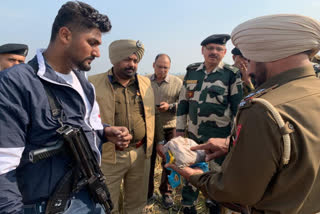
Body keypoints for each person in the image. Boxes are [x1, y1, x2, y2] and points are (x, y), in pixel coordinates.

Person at [167, 14, 320, 214]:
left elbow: (236, 192)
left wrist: (191, 175)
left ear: (270, 54)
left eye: (252, 59)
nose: (250, 69)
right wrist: (231, 143)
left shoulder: (263, 110)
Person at [0, 2, 132, 214]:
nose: (97, 53)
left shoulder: (82, 82)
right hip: (47, 206)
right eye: (92, 43)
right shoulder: (16, 83)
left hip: (89, 195)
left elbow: (87, 126)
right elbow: (3, 167)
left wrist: (106, 131)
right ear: (65, 35)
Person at [89, 39, 164, 214]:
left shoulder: (145, 84)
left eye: (135, 61)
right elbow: (85, 119)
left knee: (136, 204)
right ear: (114, 60)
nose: (132, 64)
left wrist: (159, 141)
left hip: (140, 153)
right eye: (127, 60)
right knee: (107, 204)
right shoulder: (93, 84)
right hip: (108, 156)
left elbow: (154, 114)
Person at [176, 34, 243, 214]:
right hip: (192, 137)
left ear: (225, 52)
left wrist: (232, 140)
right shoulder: (192, 71)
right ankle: (188, 206)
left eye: (218, 49)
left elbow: (238, 111)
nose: (214, 52)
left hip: (218, 140)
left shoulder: (231, 75)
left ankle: (214, 205)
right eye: (210, 48)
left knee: (216, 178)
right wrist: (179, 131)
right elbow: (183, 103)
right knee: (189, 172)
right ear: (203, 50)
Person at [147, 53, 183, 209]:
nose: (162, 70)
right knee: (147, 160)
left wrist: (170, 107)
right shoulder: (145, 81)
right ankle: (147, 193)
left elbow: (182, 104)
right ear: (153, 65)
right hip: (149, 125)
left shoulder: (177, 82)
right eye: (160, 66)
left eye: (166, 68)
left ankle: (166, 193)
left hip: (170, 125)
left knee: (169, 159)